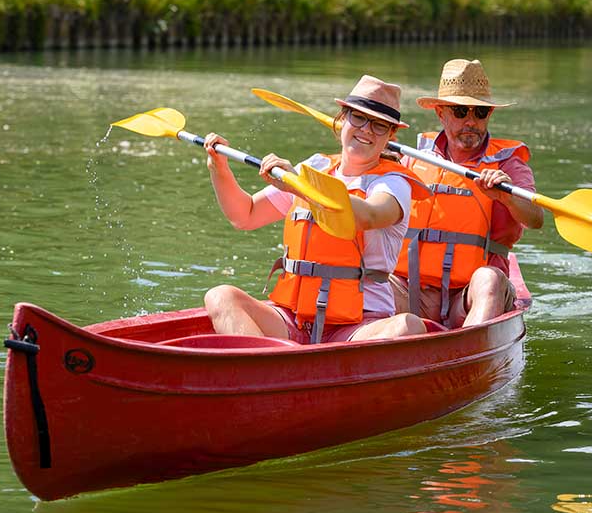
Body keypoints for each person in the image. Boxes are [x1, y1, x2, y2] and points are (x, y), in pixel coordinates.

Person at [203, 76, 431, 344]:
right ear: (342, 119)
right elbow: (245, 215)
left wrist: (299, 187)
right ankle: (268, 367)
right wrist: (219, 168)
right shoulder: (314, 167)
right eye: (358, 118)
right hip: (295, 318)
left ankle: (281, 367)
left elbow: (367, 215)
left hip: (358, 326)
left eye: (379, 125)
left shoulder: (393, 184)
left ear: (391, 135)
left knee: (409, 326)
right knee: (220, 296)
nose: (367, 130)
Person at [390, 59, 544, 328]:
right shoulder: (409, 159)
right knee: (369, 278)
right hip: (410, 291)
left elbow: (535, 218)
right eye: (461, 111)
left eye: (480, 113)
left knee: (490, 279)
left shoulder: (508, 163)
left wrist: (507, 196)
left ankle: (469, 347)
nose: (471, 122)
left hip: (470, 297)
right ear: (441, 113)